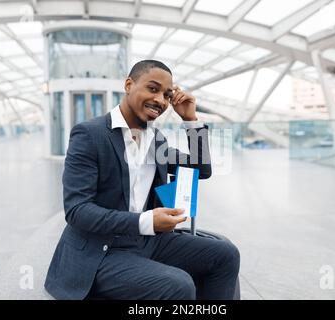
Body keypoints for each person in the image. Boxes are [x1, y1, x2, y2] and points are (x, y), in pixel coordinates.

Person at [44, 60, 240, 300]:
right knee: (178, 285)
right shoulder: (90, 135)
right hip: (101, 251)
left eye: (167, 95)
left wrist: (190, 119)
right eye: (153, 89)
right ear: (129, 84)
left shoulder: (155, 140)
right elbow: (77, 210)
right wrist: (146, 221)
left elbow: (202, 168)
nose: (160, 100)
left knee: (225, 254)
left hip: (148, 241)